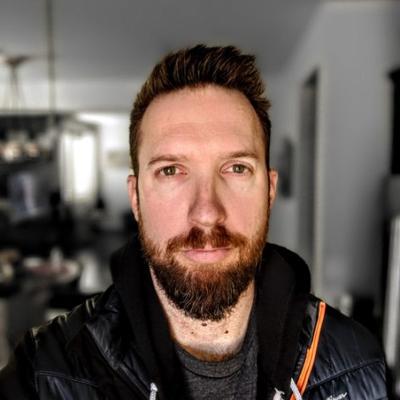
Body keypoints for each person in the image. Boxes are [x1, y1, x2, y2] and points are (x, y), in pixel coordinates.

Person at [0, 45, 387, 399]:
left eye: (236, 168)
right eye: (171, 170)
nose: (206, 211)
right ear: (135, 198)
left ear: (269, 191)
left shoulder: (358, 365)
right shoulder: (43, 374)